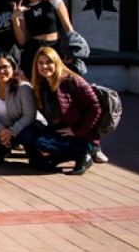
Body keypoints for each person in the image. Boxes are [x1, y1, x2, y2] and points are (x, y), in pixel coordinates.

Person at [30, 47, 102, 175]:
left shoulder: (72, 80)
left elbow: (95, 108)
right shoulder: (43, 86)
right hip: (62, 135)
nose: (44, 66)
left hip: (83, 136)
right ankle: (61, 155)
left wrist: (76, 131)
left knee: (42, 143)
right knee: (39, 162)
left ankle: (84, 155)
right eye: (40, 63)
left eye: (49, 62)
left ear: (56, 62)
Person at [0, 53, 40, 164]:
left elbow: (29, 116)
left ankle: (33, 154)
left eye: (5, 67)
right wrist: (0, 129)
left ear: (13, 68)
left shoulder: (24, 88)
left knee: (28, 135)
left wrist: (12, 131)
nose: (1, 71)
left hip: (19, 129)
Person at [13, 0, 73, 77]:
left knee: (60, 80)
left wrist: (70, 48)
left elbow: (67, 25)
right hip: (34, 48)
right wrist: (15, 18)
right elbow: (22, 41)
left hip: (55, 46)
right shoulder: (23, 7)